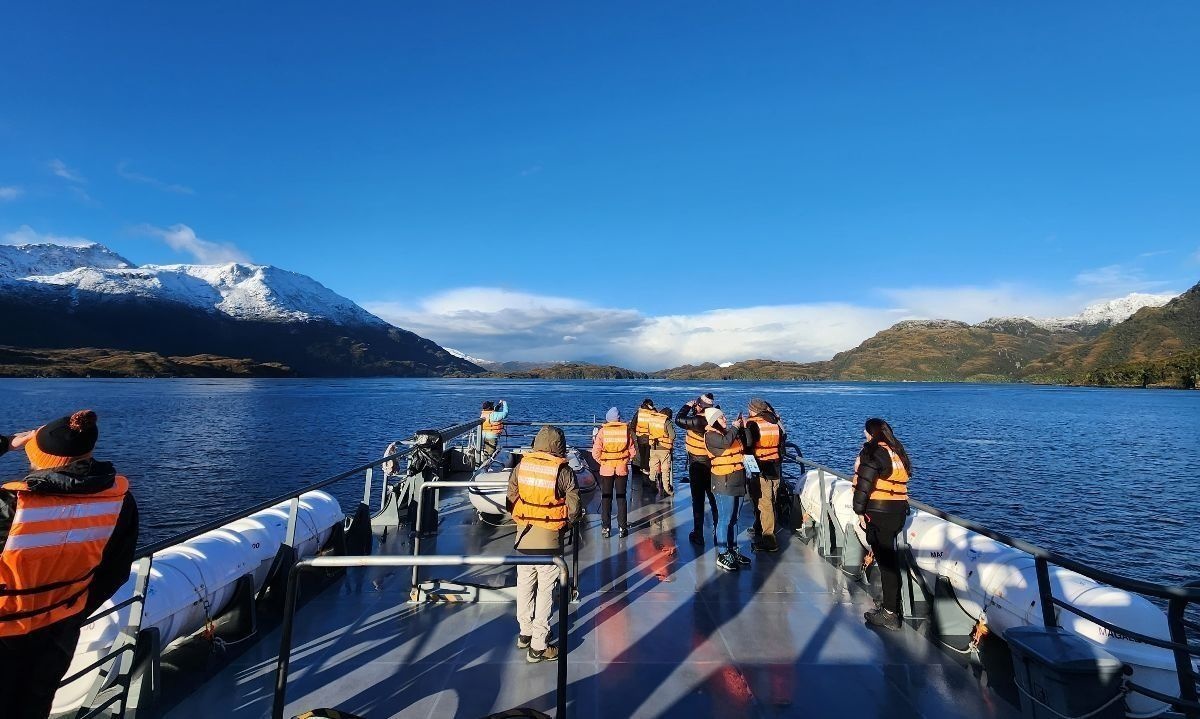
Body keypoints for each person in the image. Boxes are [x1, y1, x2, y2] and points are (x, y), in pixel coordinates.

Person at [0, 411, 139, 719]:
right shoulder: (119, 502)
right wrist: (70, 610)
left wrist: (5, 444)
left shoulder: (11, 506)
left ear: (35, 454)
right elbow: (114, 572)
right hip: (57, 634)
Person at [507, 424, 580, 663]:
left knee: (525, 586)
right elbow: (574, 506)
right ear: (559, 445)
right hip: (550, 539)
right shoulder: (564, 471)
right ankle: (539, 645)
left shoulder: (522, 465)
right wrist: (567, 523)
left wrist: (521, 517)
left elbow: (511, 497)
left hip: (523, 535)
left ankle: (524, 633)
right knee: (546, 591)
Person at [852, 417, 912, 631]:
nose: (864, 436)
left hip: (878, 513)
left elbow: (864, 484)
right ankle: (891, 606)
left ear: (871, 433)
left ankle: (890, 613)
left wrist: (859, 511)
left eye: (865, 432)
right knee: (889, 560)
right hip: (897, 512)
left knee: (887, 564)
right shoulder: (897, 451)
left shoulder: (874, 452)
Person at [704, 408, 750, 571]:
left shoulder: (730, 432)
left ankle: (733, 549)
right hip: (723, 481)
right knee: (725, 518)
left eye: (724, 415)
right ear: (713, 420)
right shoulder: (711, 435)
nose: (724, 418)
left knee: (735, 518)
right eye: (721, 417)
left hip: (738, 479)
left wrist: (743, 427)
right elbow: (725, 443)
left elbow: (748, 444)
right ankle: (723, 554)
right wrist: (735, 427)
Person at [675, 393, 718, 546]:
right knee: (713, 499)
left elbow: (678, 420)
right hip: (712, 464)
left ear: (700, 405)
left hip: (698, 465)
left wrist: (687, 405)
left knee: (698, 500)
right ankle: (718, 531)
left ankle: (698, 534)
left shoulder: (699, 420)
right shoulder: (714, 418)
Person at [743, 398, 785, 553]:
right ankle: (759, 527)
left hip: (760, 468)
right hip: (775, 466)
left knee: (763, 502)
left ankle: (769, 540)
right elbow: (783, 440)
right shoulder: (775, 422)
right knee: (771, 500)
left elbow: (747, 444)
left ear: (753, 410)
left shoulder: (753, 423)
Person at [591, 407, 635, 538]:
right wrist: (625, 460)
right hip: (621, 468)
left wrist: (603, 462)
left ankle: (606, 527)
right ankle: (622, 527)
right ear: (619, 418)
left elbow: (595, 452)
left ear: (608, 419)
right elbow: (632, 451)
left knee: (606, 498)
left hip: (606, 469)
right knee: (621, 498)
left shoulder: (603, 432)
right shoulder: (625, 431)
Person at [648, 407, 675, 501]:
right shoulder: (667, 422)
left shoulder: (652, 420)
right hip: (664, 449)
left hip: (653, 447)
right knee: (665, 470)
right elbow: (673, 435)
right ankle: (667, 490)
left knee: (653, 468)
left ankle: (652, 486)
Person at [631, 398, 659, 480]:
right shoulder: (653, 412)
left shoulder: (639, 412)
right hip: (650, 438)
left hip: (640, 437)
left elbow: (633, 424)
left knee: (642, 456)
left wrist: (637, 433)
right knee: (648, 456)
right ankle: (647, 476)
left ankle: (642, 471)